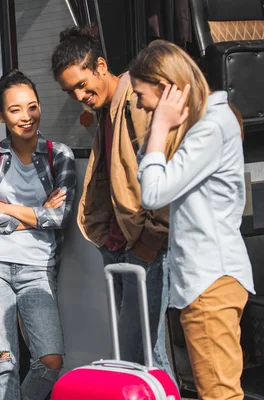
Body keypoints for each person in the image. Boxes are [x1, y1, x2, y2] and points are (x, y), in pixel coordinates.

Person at [132, 40, 255, 400]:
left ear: (164, 86)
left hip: (209, 282)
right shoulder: (208, 124)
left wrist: (159, 128)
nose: (139, 104)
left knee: (219, 394)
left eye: (141, 95)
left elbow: (153, 194)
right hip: (210, 280)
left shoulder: (211, 127)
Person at [50, 25, 174, 377]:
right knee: (136, 354)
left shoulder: (136, 101)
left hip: (142, 247)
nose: (78, 96)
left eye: (81, 85)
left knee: (147, 356)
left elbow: (161, 175)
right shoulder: (108, 108)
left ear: (101, 66)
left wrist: (151, 241)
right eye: (69, 91)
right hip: (120, 245)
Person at [0, 69, 76, 400]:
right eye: (15, 110)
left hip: (37, 269)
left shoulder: (60, 155)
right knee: (3, 362)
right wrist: (39, 213)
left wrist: (10, 208)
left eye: (32, 107)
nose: (26, 117)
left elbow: (61, 216)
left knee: (50, 361)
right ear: (1, 115)